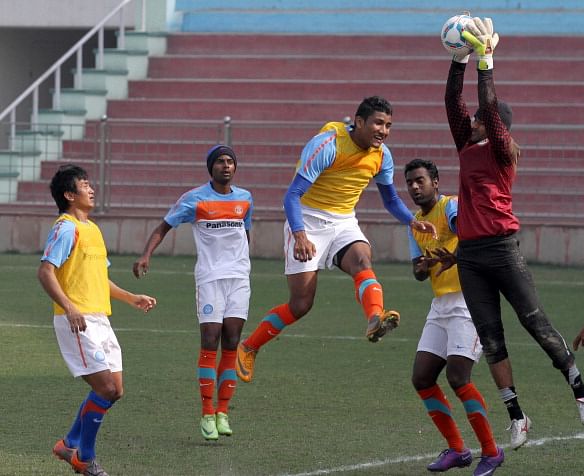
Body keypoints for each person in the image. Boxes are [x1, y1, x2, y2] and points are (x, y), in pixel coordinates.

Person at [444, 16, 584, 451]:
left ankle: (582, 393)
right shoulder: (466, 146)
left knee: (536, 324)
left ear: (495, 128)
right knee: (491, 340)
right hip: (470, 255)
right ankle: (517, 415)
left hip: (502, 249)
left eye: (480, 120)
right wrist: (459, 61)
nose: (471, 121)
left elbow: (487, 108)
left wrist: (486, 64)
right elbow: (454, 102)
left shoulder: (502, 154)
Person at [235, 95, 437, 383]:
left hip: (343, 221)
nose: (384, 131)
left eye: (389, 125)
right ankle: (249, 346)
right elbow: (292, 195)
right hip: (307, 219)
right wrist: (300, 235)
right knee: (301, 304)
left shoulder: (382, 156)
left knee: (362, 259)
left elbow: (390, 199)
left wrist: (413, 222)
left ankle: (375, 318)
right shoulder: (327, 145)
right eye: (378, 123)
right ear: (358, 122)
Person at [38, 164, 157, 476]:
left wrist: (131, 297)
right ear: (69, 194)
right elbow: (45, 272)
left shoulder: (92, 229)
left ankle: (69, 444)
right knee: (104, 388)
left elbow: (99, 279)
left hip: (99, 318)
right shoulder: (66, 228)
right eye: (84, 184)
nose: (91, 189)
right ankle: (84, 458)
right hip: (75, 320)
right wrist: (69, 306)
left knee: (115, 390)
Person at [133, 145, 253, 441]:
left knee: (232, 341)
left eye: (230, 162)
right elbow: (164, 226)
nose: (226, 166)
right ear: (210, 167)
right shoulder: (194, 199)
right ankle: (207, 413)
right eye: (220, 162)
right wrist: (146, 254)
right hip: (210, 278)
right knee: (210, 340)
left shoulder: (245, 199)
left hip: (238, 278)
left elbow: (244, 233)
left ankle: (223, 412)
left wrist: (244, 264)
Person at [405, 158, 503, 475]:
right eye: (409, 182)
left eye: (420, 180)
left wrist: (452, 254)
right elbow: (419, 270)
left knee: (458, 378)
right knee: (422, 378)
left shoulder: (451, 206)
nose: (414, 187)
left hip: (469, 301)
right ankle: (459, 450)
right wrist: (421, 267)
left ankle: (491, 451)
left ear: (435, 181)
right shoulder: (415, 224)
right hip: (441, 305)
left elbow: (469, 235)